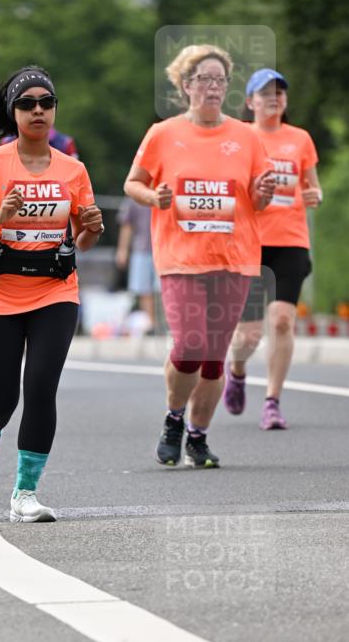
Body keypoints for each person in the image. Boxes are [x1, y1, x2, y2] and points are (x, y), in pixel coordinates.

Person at [0, 65, 104, 522]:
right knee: (0, 400)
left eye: (46, 103)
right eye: (27, 104)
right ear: (13, 113)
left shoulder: (74, 170)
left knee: (40, 388)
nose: (38, 111)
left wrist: (92, 228)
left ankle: (25, 494)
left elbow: (82, 240)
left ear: (55, 110)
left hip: (55, 292)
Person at [124, 44, 275, 468]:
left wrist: (262, 195)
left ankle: (198, 435)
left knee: (213, 357)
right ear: (186, 85)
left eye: (220, 80)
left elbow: (258, 200)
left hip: (235, 258)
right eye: (204, 79)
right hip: (180, 258)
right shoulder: (163, 133)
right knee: (190, 344)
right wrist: (155, 196)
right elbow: (132, 183)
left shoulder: (246, 136)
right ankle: (174, 417)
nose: (213, 87)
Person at [224, 69, 322, 429]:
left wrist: (316, 195)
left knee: (282, 321)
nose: (273, 98)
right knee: (248, 334)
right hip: (249, 242)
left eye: (279, 92)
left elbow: (313, 187)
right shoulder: (238, 137)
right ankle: (236, 371)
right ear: (250, 101)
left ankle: (272, 401)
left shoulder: (300, 139)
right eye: (264, 93)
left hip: (291, 240)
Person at [115, 195, 157, 330]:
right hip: (141, 248)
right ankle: (151, 324)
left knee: (162, 289)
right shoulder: (133, 197)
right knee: (144, 289)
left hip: (163, 249)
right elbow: (127, 225)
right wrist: (122, 250)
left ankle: (164, 324)